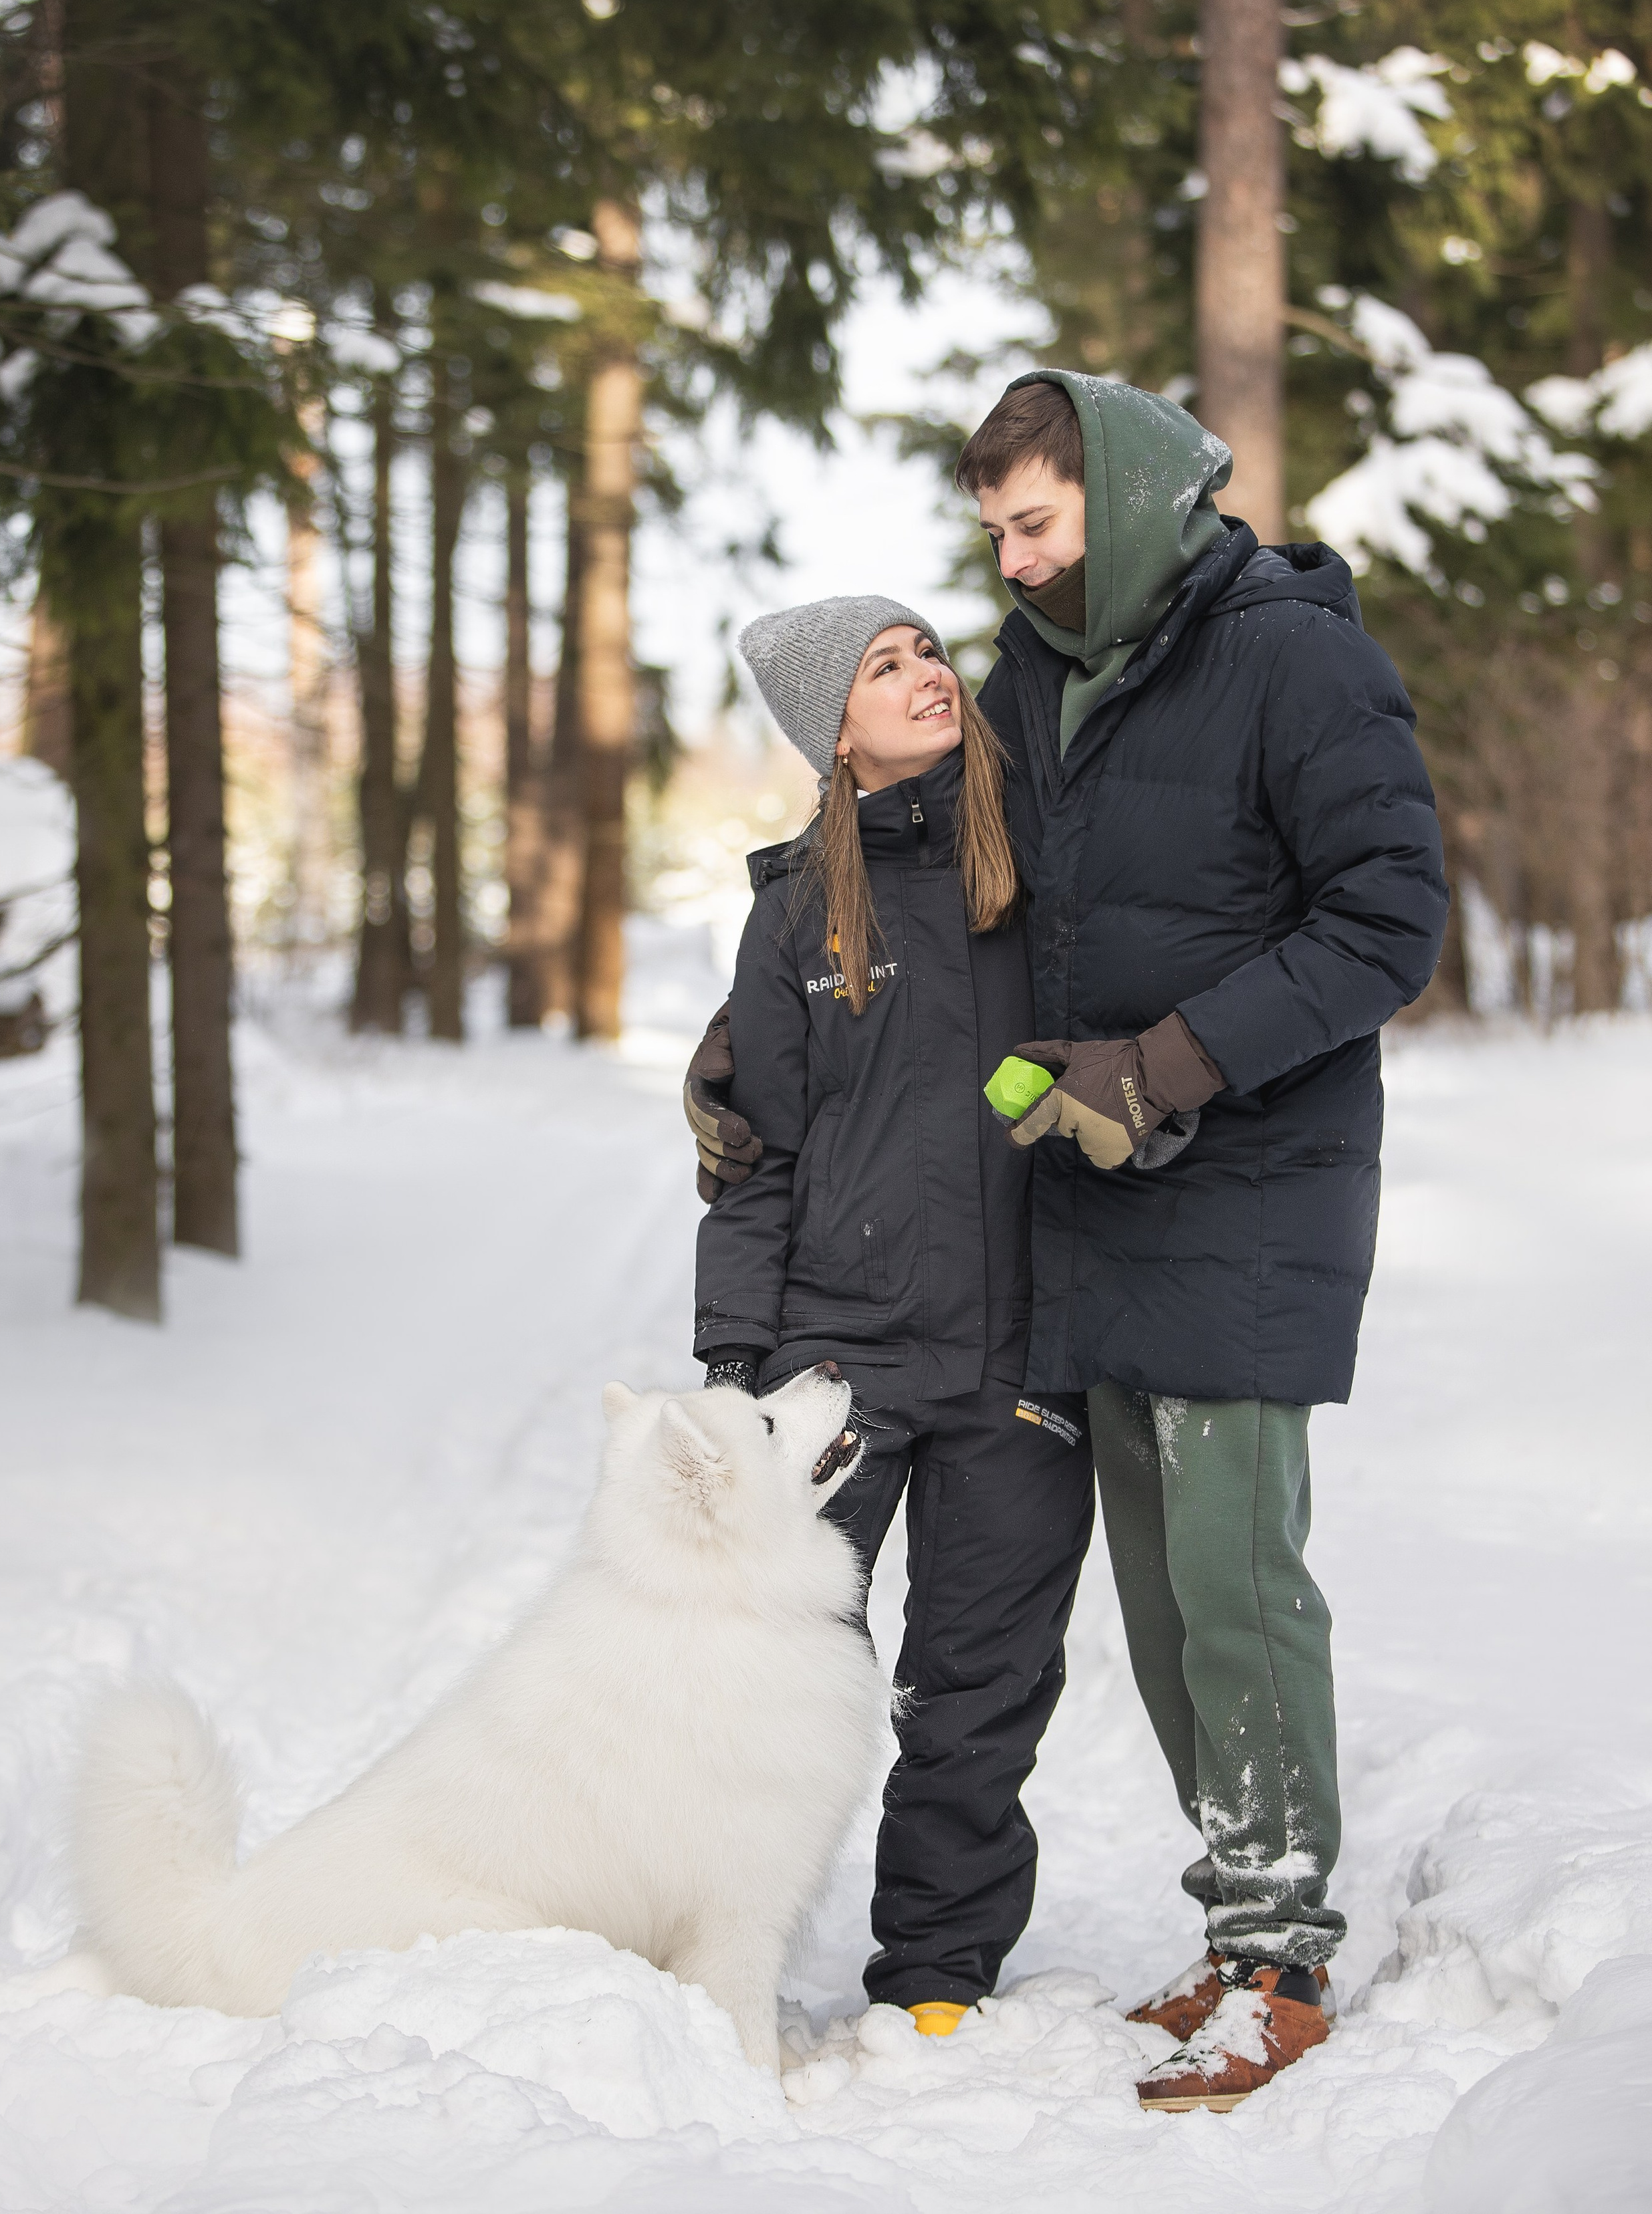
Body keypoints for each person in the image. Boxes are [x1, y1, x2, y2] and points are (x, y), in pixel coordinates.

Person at [688, 374, 1449, 2110]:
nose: (1007, 562)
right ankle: (1238, 1922)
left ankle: (1279, 1952)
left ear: (1116, 487)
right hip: (1094, 1203)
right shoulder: (1043, 682)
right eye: (993, 534)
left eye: (1033, 522)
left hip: (1245, 1179)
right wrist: (758, 1022)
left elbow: (1391, 918)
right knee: (1172, 1607)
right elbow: (911, 872)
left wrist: (1168, 1059)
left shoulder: (1285, 650)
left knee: (1239, 1582)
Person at [689, 596, 1096, 2039]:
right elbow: (753, 1150)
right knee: (767, 1672)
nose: (926, 675)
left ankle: (934, 1973)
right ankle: (714, 1949)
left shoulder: (1038, 869)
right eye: (884, 666)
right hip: (834, 1362)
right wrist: (737, 1356)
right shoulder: (797, 908)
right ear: (831, 731)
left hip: (1021, 1358)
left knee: (978, 1687)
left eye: (928, 650)